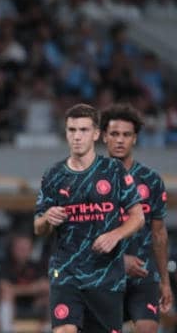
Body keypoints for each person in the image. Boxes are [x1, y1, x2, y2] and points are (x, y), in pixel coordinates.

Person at [34, 103, 144, 333]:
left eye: (83, 130)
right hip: (66, 274)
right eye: (72, 130)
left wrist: (115, 235)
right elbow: (38, 227)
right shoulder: (53, 175)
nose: (77, 136)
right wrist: (47, 219)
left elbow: (138, 217)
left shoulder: (113, 170)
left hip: (105, 276)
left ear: (95, 134)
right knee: (64, 330)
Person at [101, 103, 172, 333]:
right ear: (104, 137)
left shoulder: (151, 180)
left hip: (143, 275)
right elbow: (81, 236)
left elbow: (159, 233)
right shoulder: (90, 181)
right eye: (114, 134)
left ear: (135, 139)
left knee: (147, 327)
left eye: (126, 134)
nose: (120, 140)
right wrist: (119, 261)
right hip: (102, 276)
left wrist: (165, 281)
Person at [0, 233, 49, 333]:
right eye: (20, 248)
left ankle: (48, 328)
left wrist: (15, 290)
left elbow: (46, 286)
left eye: (26, 248)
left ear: (31, 249)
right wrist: (34, 288)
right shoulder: (5, 266)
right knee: (6, 295)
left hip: (34, 303)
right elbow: (4, 289)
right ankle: (6, 330)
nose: (23, 251)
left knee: (51, 295)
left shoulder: (36, 266)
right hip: (13, 304)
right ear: (13, 248)